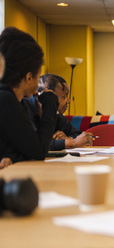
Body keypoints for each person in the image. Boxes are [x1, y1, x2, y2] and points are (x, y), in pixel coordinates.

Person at [0, 27, 59, 169]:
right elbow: (38, 152)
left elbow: (28, 149)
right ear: (29, 77)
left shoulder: (17, 101)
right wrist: (50, 106)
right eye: (38, 76)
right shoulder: (6, 100)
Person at [25, 74, 93, 150]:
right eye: (64, 97)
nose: (69, 101)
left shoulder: (57, 115)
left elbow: (79, 135)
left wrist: (68, 138)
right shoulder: (25, 110)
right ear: (46, 95)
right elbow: (34, 144)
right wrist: (70, 143)